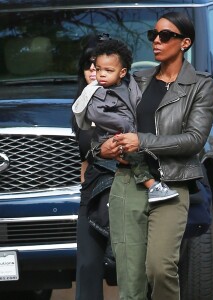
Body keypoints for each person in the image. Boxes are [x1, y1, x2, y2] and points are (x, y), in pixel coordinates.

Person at [100, 12, 213, 299]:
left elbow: (194, 140)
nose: (156, 41)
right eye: (153, 35)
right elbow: (107, 121)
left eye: (166, 36)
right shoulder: (137, 80)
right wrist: (101, 148)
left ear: (185, 43)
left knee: (160, 268)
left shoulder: (200, 86)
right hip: (128, 183)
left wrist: (142, 141)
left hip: (172, 186)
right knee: (130, 279)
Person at [72, 38, 178, 203]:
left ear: (122, 72)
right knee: (135, 159)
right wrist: (125, 126)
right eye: (98, 69)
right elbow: (98, 115)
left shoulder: (129, 85)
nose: (101, 74)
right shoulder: (96, 92)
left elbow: (136, 104)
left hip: (128, 141)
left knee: (140, 155)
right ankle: (152, 186)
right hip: (112, 141)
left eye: (108, 70)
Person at [72, 33, 117, 300]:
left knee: (131, 267)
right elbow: (85, 152)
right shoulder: (81, 102)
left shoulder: (126, 98)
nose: (93, 71)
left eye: (100, 66)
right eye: (89, 65)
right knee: (87, 265)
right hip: (92, 191)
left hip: (124, 188)